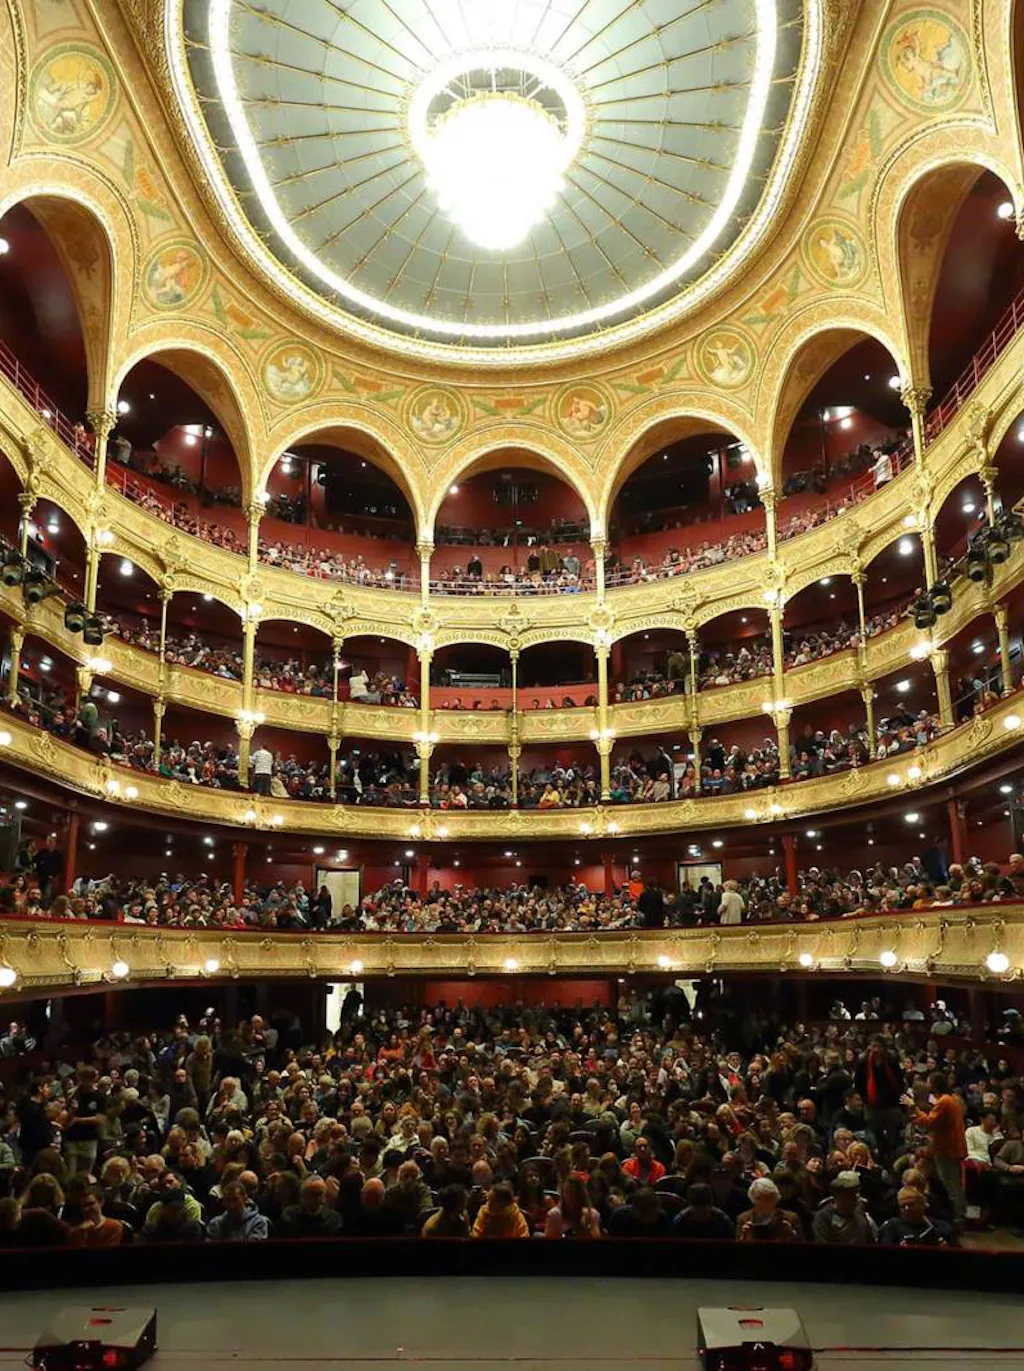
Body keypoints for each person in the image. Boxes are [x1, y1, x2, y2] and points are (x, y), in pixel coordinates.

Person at [907, 1072, 966, 1225]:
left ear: (935, 1085)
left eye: (929, 1082)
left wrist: (913, 1106)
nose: (927, 1085)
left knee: (951, 1185)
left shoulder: (944, 1101)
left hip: (946, 1149)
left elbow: (929, 1122)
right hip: (946, 1147)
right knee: (947, 1181)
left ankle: (959, 1218)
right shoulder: (951, 1099)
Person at [811, 1171, 877, 1245]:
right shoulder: (824, 1217)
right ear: (837, 1196)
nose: (855, 1198)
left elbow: (870, 1242)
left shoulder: (860, 1215)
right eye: (849, 1195)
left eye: (855, 1193)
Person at [878, 1187, 958, 1246]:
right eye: (903, 1206)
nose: (907, 1208)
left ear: (922, 1205)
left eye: (911, 1204)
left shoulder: (942, 1228)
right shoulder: (890, 1228)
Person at [276, 1176, 343, 1238]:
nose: (320, 1198)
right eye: (315, 1194)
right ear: (302, 1196)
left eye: (322, 1194)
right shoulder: (289, 1216)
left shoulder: (333, 1219)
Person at [735, 1178, 799, 1242]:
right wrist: (744, 1237)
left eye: (768, 1198)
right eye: (758, 1198)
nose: (763, 1203)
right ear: (752, 1199)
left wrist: (791, 1233)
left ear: (775, 1199)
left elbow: (801, 1243)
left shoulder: (790, 1218)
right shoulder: (744, 1219)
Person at [606, 1186, 673, 1237]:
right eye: (649, 1216)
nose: (654, 1216)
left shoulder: (662, 1218)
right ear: (636, 1211)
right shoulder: (620, 1218)